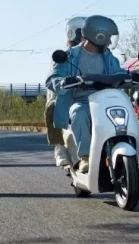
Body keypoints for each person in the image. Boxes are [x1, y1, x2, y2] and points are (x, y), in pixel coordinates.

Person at [46, 15, 123, 173]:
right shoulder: (69, 56)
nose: (109, 42)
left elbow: (119, 72)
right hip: (81, 102)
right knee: (78, 112)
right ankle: (85, 158)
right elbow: (52, 78)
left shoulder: (109, 57)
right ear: (98, 36)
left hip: (106, 102)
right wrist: (61, 82)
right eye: (108, 38)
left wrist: (132, 75)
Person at [46, 16, 85, 168]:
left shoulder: (96, 54)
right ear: (72, 33)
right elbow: (53, 79)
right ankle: (60, 147)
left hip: (89, 94)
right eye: (82, 33)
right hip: (68, 93)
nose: (85, 36)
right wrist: (62, 83)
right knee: (53, 105)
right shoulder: (64, 55)